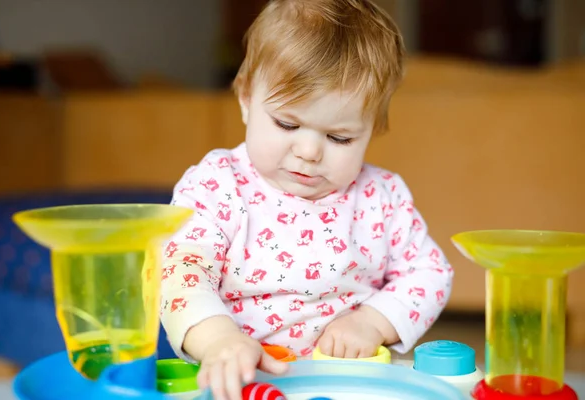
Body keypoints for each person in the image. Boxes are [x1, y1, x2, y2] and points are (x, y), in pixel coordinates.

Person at [160, 1, 453, 399]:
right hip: (242, 384)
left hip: (349, 384)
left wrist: (372, 322)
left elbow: (430, 271)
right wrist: (217, 341)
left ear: (373, 128)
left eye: (340, 137)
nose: (310, 151)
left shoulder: (380, 197)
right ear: (246, 98)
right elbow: (179, 270)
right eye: (287, 123)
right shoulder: (217, 185)